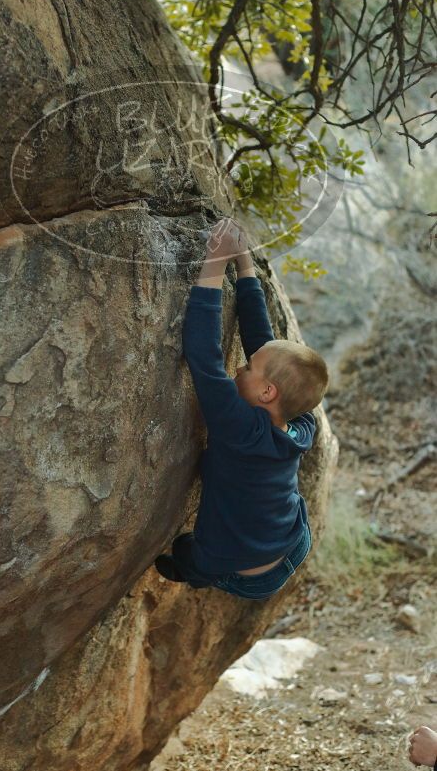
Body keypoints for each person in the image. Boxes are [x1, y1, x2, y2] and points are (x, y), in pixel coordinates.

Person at [154, 217, 329, 600]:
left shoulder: (237, 427)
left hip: (246, 574)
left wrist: (216, 263)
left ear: (267, 392)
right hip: (291, 544)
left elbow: (204, 356)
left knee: (187, 551)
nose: (239, 365)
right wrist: (245, 264)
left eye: (247, 368)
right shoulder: (301, 426)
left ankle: (197, 573)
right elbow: (263, 344)